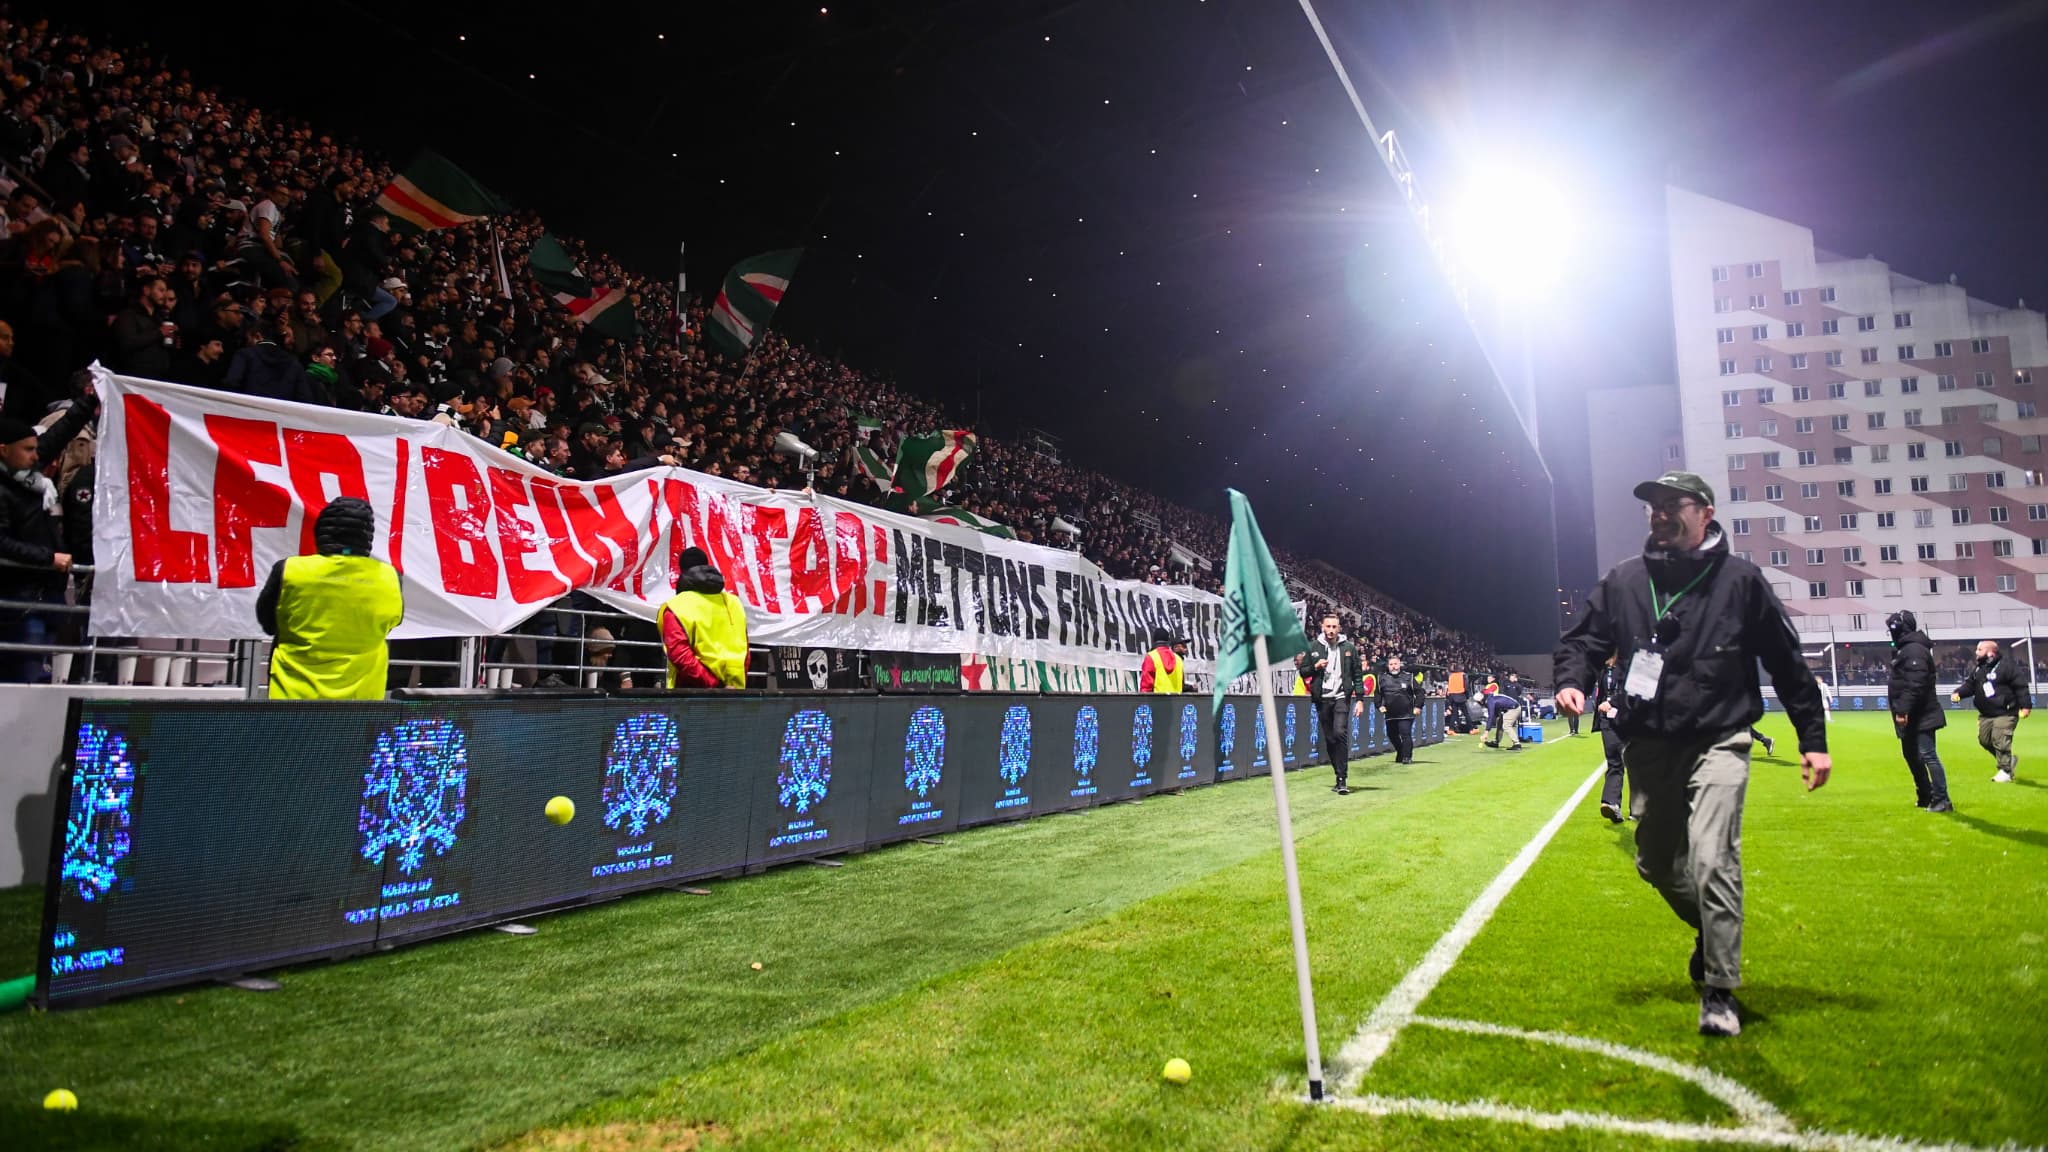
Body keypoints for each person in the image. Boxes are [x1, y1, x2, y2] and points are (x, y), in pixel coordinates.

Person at [1555, 470, 1830, 1038]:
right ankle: (1712, 931)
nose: (1659, 513)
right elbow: (1584, 640)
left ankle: (1720, 989)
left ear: (1705, 512)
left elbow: (1786, 662)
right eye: (1652, 505)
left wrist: (1812, 739)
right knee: (1654, 862)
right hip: (1650, 743)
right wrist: (1571, 679)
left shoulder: (1740, 581)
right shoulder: (1625, 581)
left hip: (1720, 737)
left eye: (1671, 503)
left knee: (1713, 858)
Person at [255, 498, 404, 699]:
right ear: (366, 535)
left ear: (322, 531)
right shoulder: (390, 576)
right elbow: (393, 622)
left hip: (292, 699)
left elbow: (268, 624)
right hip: (362, 703)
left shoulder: (290, 570)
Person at [0, 401, 95, 682]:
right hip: (16, 598)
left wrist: (89, 400)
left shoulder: (29, 477)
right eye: (28, 449)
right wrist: (48, 558)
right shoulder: (3, 490)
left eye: (35, 448)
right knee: (23, 681)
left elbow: (62, 432)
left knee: (40, 678)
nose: (35, 456)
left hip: (44, 593)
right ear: (4, 450)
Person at [1885, 610, 1952, 812]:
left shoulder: (1913, 650)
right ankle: (1926, 795)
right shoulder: (1908, 649)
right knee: (1912, 755)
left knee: (1927, 754)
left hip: (1921, 713)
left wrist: (1903, 709)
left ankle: (1942, 799)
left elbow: (1916, 683)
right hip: (1914, 713)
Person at [660, 546, 749, 689]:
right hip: (734, 694)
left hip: (691, 697)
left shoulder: (676, 606)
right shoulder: (734, 603)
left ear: (682, 572)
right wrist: (731, 685)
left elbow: (680, 655)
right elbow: (745, 652)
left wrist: (716, 686)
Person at [1295, 613, 1364, 793]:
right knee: (1330, 738)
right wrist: (1315, 667)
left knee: (1340, 732)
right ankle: (1337, 773)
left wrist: (1360, 700)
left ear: (1339, 628)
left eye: (1334, 627)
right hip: (1322, 699)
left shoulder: (1349, 648)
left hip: (1342, 696)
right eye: (1328, 626)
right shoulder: (1313, 647)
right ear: (1322, 627)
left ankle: (1342, 779)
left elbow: (1357, 674)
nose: (1331, 630)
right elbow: (1303, 672)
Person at [1953, 639, 2029, 784]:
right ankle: (2009, 760)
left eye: (1979, 649)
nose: (1976, 652)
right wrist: (1959, 693)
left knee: (2000, 739)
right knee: (1985, 740)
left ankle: (2005, 771)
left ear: (1990, 652)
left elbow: (2021, 686)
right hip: (1986, 714)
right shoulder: (1978, 669)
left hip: (2005, 711)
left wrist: (2025, 706)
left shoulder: (2007, 666)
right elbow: (1970, 686)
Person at [1592, 652, 1627, 822]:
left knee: (1635, 762)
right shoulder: (1604, 670)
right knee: (1614, 762)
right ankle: (1611, 803)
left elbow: (1633, 691)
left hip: (1628, 719)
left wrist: (1612, 702)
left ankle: (1638, 808)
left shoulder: (1628, 666)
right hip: (1607, 720)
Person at [1378, 654, 1425, 764]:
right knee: (1392, 735)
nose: (1393, 666)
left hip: (1406, 713)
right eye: (1391, 664)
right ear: (1388, 666)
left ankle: (1407, 757)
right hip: (1390, 713)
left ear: (1399, 665)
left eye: (1395, 664)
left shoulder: (1409, 677)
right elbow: (1378, 694)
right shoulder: (1382, 678)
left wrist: (1418, 706)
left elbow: (1420, 693)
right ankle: (1400, 751)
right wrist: (1379, 705)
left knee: (1405, 733)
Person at [1139, 628, 1187, 693]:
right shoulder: (1178, 659)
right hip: (1177, 701)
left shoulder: (1151, 657)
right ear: (1168, 641)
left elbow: (1146, 687)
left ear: (1154, 641)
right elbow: (1182, 684)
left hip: (1158, 702)